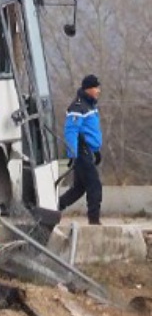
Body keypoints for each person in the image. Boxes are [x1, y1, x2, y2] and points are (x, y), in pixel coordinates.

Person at [59, 74, 103, 225]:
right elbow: (71, 131)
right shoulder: (78, 107)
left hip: (87, 152)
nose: (99, 90)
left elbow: (91, 131)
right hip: (80, 152)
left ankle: (56, 207)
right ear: (88, 89)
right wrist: (73, 155)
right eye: (96, 87)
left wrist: (96, 150)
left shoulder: (90, 105)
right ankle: (94, 222)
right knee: (94, 186)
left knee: (79, 188)